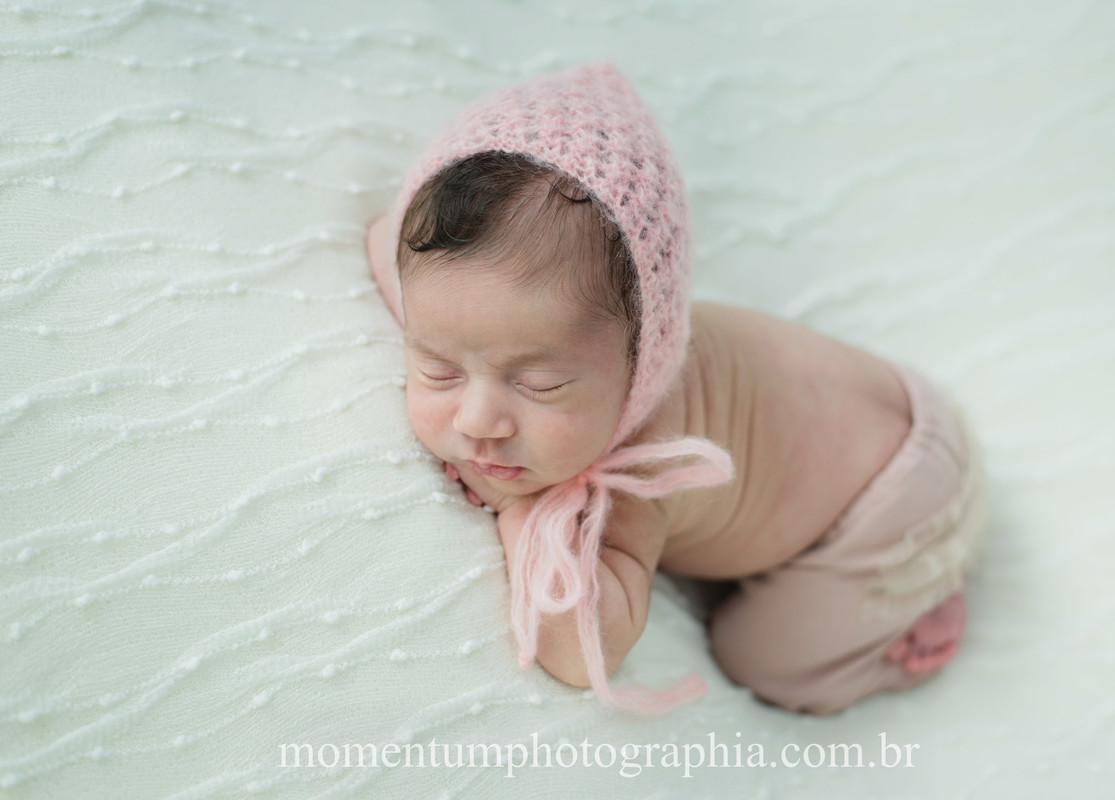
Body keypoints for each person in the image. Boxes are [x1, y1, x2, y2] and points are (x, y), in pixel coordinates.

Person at [365, 61, 987, 716]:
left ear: (647, 352)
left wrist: (523, 510)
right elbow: (390, 245)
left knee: (766, 661)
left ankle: (908, 610)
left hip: (894, 501)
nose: (479, 419)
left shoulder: (644, 467)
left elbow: (583, 655)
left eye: (540, 383)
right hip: (853, 401)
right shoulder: (482, 307)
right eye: (439, 369)